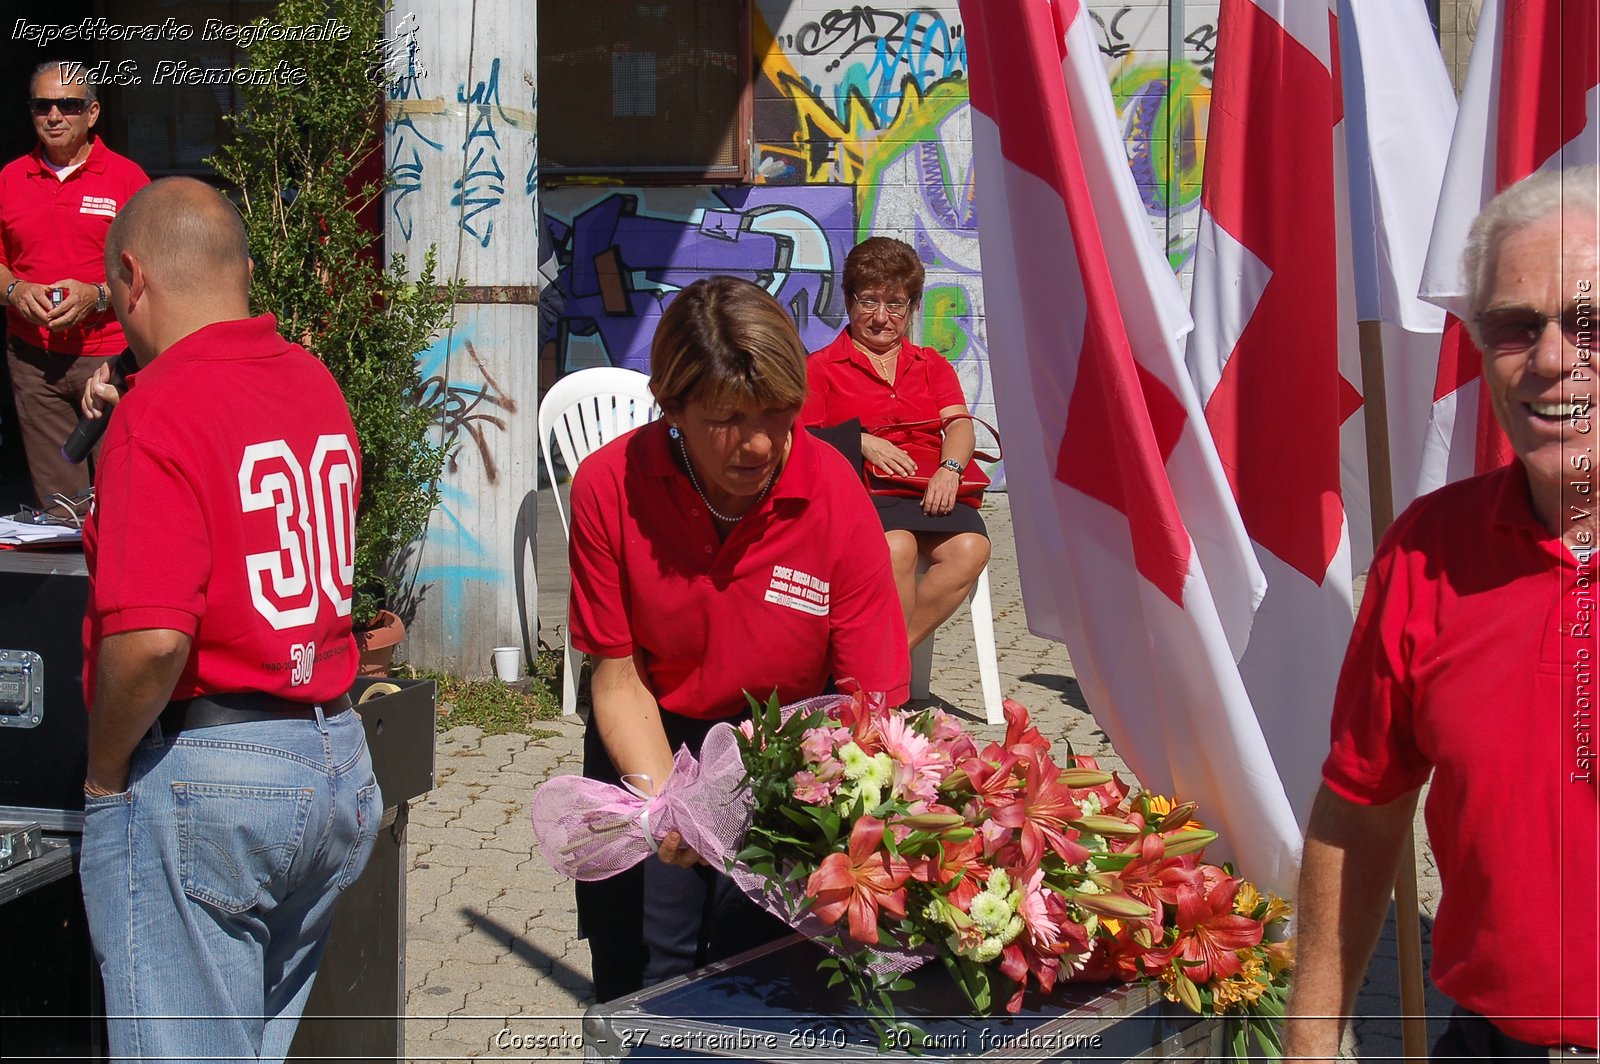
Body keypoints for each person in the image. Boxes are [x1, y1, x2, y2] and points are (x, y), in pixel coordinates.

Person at [1284, 166, 1599, 1060]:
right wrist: (1309, 1046)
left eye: (1589, 323)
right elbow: (1358, 813)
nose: (1550, 359)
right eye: (1514, 326)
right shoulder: (1429, 550)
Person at [78, 177, 378, 1062]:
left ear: (132, 277)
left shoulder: (157, 409)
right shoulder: (312, 379)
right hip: (331, 759)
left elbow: (155, 639)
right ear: (241, 270)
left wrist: (103, 775)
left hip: (216, 775)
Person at [568, 275, 910, 1001]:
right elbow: (617, 676)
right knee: (643, 981)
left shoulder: (834, 494)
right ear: (673, 408)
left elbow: (869, 706)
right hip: (651, 745)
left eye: (777, 414)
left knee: (758, 983)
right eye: (728, 418)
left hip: (787, 756)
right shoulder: (609, 486)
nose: (758, 444)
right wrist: (671, 808)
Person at [800, 236, 992, 651]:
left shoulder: (931, 364)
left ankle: (891, 658)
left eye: (896, 304)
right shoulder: (820, 367)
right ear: (849, 301)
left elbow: (958, 425)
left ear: (912, 307)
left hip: (930, 489)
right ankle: (885, 678)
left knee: (971, 548)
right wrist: (861, 441)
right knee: (897, 546)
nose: (881, 317)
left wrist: (951, 469)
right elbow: (798, 439)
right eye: (869, 301)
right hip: (863, 494)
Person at [0, 62, 148, 509]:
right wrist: (14, 291)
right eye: (42, 105)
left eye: (69, 104)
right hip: (33, 363)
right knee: (62, 508)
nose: (54, 115)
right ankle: (71, 579)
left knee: (123, 496)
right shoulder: (9, 179)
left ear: (93, 112)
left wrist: (97, 295)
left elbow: (151, 267)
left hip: (109, 362)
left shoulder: (127, 179)